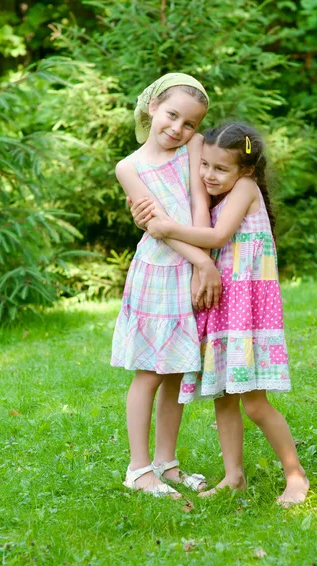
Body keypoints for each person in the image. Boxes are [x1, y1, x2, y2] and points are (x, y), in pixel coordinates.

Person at [133, 122, 309, 505]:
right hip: (225, 307)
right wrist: (151, 220)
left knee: (256, 402)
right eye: (205, 166)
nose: (209, 175)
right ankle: (234, 477)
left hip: (248, 309)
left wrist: (164, 227)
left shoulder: (245, 190)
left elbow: (216, 239)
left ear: (245, 170)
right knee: (225, 398)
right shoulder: (218, 194)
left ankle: (296, 476)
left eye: (220, 169)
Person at [111, 73, 222, 497]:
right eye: (172, 115)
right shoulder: (130, 167)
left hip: (192, 268)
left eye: (189, 123)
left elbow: (198, 199)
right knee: (149, 373)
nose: (178, 128)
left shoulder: (191, 150)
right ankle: (139, 470)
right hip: (158, 273)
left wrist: (202, 263)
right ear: (153, 106)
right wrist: (202, 262)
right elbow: (156, 226)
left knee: (176, 369)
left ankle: (166, 463)